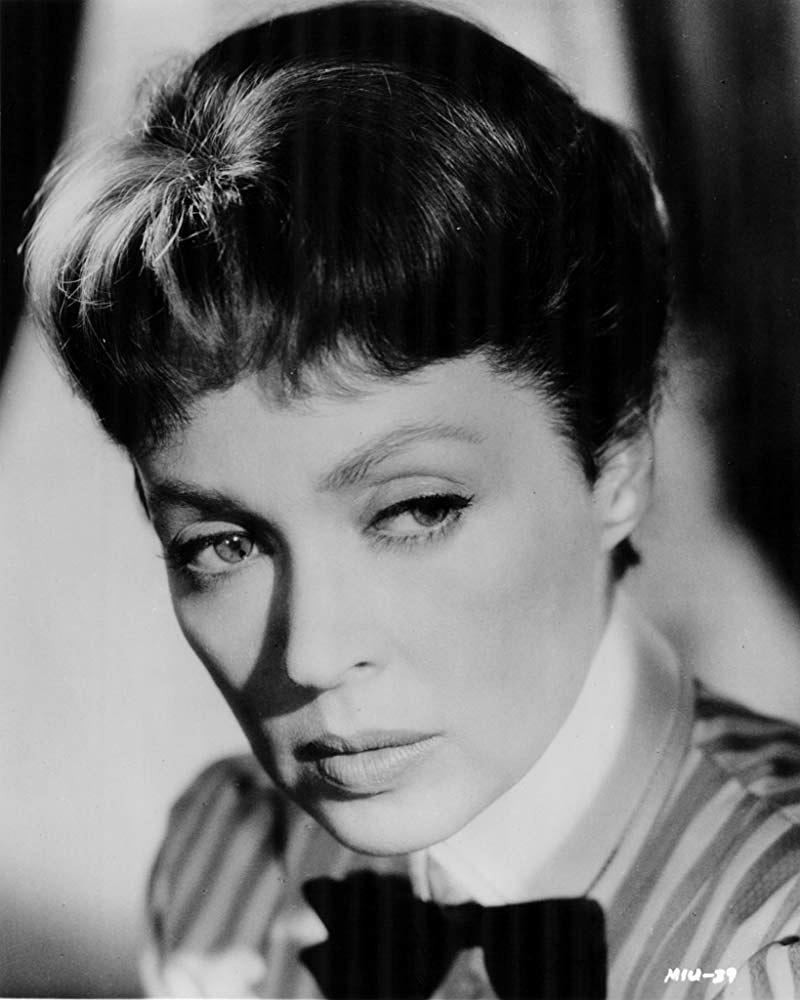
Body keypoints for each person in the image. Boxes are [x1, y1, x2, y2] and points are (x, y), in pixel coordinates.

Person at [24, 3, 800, 997]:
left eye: (414, 511)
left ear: (614, 465)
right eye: (222, 542)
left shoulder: (774, 941)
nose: (310, 656)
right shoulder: (221, 869)